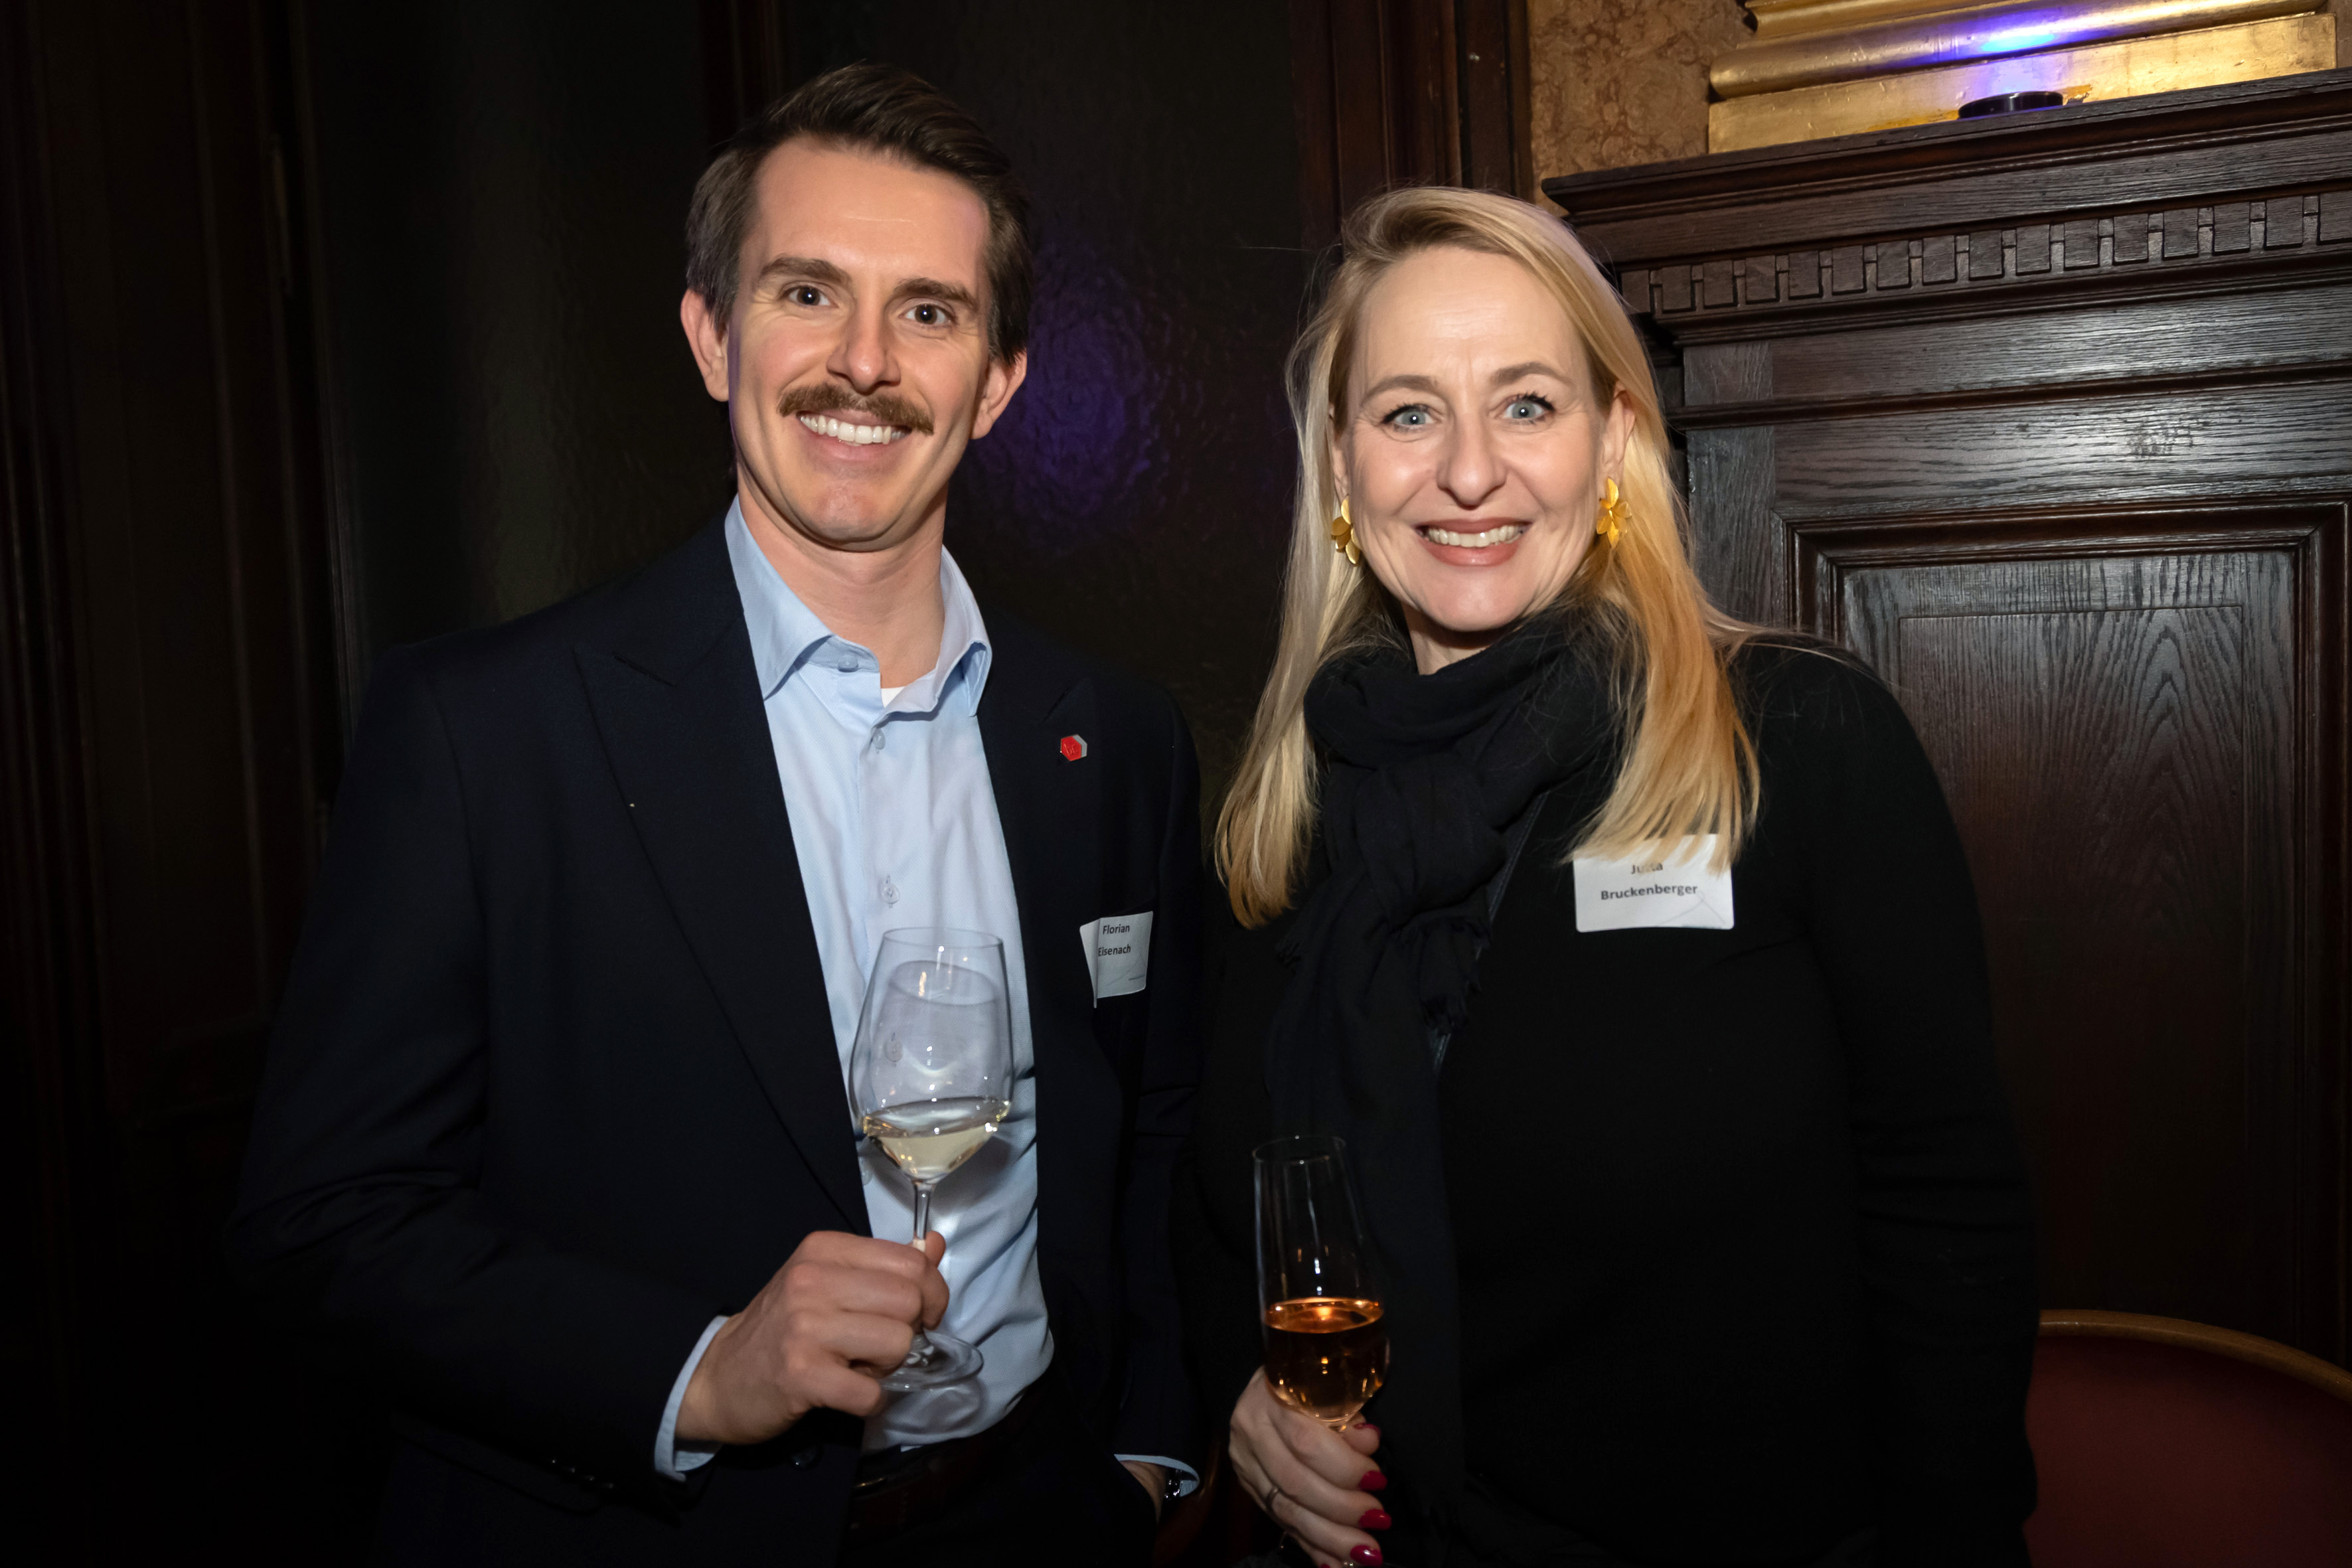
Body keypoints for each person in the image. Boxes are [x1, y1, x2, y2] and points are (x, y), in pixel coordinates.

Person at [232, 64, 1202, 1566]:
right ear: (710, 334)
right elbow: (325, 1220)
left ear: (1000, 378)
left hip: (1036, 1513)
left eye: (928, 312)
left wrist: (1142, 1456)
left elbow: (1151, 1133)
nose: (863, 363)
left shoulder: (1113, 740)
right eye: (807, 293)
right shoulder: (486, 733)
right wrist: (694, 1370)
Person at [1172, 186, 2039, 1568]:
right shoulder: (1288, 815)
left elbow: (1947, 1219)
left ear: (1613, 438)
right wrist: (1247, 1394)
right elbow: (1218, 1206)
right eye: (1407, 413)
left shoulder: (1798, 743)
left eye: (1526, 404)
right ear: (1341, 467)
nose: (1468, 473)